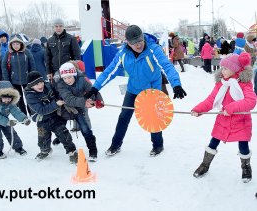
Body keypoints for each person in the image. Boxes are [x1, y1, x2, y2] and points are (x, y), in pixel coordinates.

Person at [84, 25, 187, 157]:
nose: (138, 45)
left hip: (151, 90)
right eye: (134, 43)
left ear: (143, 38)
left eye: (140, 41)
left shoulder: (153, 50)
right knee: (123, 117)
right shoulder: (123, 54)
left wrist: (176, 85)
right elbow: (109, 72)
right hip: (133, 89)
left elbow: (166, 66)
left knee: (153, 117)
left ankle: (158, 145)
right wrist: (95, 88)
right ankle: (115, 144)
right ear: (128, 42)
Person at [191, 52, 256, 182]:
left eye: (226, 68)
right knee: (213, 142)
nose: (222, 70)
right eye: (222, 67)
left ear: (235, 69)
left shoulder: (245, 84)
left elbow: (251, 101)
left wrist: (231, 108)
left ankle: (246, 168)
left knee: (243, 146)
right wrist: (198, 109)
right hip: (224, 119)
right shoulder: (221, 83)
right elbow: (211, 100)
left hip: (241, 121)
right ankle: (205, 164)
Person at [24, 71, 78, 163]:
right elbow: (41, 110)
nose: (40, 85)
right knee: (43, 137)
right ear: (31, 86)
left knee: (63, 134)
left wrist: (62, 98)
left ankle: (72, 151)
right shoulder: (30, 95)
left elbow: (57, 92)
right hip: (42, 120)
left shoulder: (48, 86)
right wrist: (56, 104)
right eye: (37, 84)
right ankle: (45, 150)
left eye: (41, 82)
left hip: (55, 116)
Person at [56, 62, 103, 161]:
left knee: (85, 129)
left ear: (74, 74)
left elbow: (92, 90)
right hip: (64, 108)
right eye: (64, 78)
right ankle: (60, 139)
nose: (67, 80)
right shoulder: (61, 84)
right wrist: (84, 102)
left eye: (69, 77)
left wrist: (98, 100)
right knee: (60, 127)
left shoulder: (82, 79)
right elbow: (69, 99)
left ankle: (93, 150)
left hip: (79, 108)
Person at [0, 81, 31, 159]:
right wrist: (7, 122)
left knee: (10, 130)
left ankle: (18, 147)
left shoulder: (10, 103)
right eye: (5, 98)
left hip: (1, 116)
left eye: (9, 98)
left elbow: (16, 111)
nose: (7, 100)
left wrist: (24, 119)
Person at [1, 34, 36, 115]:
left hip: (27, 79)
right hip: (14, 80)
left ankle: (32, 113)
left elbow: (32, 64)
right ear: (11, 45)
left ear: (21, 44)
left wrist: (32, 76)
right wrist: (7, 80)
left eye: (17, 44)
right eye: (13, 44)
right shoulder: (8, 54)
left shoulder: (26, 52)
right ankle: (23, 113)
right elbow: (4, 67)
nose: (16, 46)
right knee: (18, 98)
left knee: (29, 97)